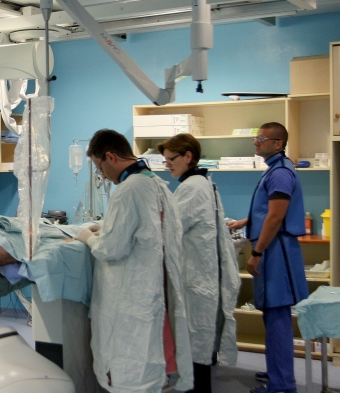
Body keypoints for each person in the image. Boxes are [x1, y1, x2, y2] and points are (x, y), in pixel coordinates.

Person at [71, 129, 193, 392]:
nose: (103, 176)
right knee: (153, 355)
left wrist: (89, 238)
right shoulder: (155, 182)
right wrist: (107, 227)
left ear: (111, 157)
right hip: (156, 287)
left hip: (134, 295)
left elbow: (111, 249)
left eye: (99, 168)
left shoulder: (128, 189)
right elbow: (146, 231)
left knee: (131, 365)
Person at [227, 122, 309, 393]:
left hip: (276, 250)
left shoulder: (281, 173)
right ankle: (277, 372)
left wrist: (257, 253)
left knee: (277, 319)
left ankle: (282, 384)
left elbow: (275, 218)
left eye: (261, 139)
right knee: (272, 317)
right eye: (256, 138)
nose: (256, 142)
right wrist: (246, 221)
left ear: (277, 144)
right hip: (274, 247)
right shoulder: (275, 169)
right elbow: (268, 210)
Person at [157, 134, 240, 393]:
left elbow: (170, 227)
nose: (167, 165)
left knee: (194, 345)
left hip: (196, 279)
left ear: (188, 156)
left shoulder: (192, 187)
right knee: (198, 344)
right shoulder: (203, 182)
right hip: (202, 275)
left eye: (171, 159)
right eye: (165, 160)